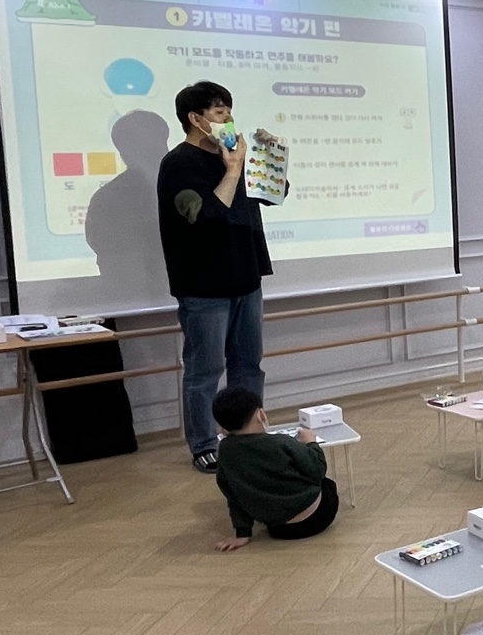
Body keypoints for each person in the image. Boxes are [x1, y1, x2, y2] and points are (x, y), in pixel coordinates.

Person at [157, 82, 273, 474]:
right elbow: (206, 215)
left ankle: (249, 435)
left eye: (229, 111)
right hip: (203, 286)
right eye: (220, 112)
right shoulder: (179, 164)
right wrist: (233, 169)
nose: (229, 119)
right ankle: (205, 444)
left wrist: (269, 157)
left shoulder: (234, 154)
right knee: (205, 370)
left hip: (247, 277)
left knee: (248, 366)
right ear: (196, 118)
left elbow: (274, 193)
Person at [210, 386, 338, 552]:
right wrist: (311, 443)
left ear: (223, 427)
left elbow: (231, 493)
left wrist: (242, 533)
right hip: (317, 518)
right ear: (260, 415)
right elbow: (318, 470)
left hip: (279, 530)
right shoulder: (281, 442)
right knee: (327, 483)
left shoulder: (225, 451)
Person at [85, 110, 171, 305]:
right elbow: (104, 247)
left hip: (139, 296)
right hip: (131, 298)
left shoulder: (104, 197)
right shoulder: (107, 198)